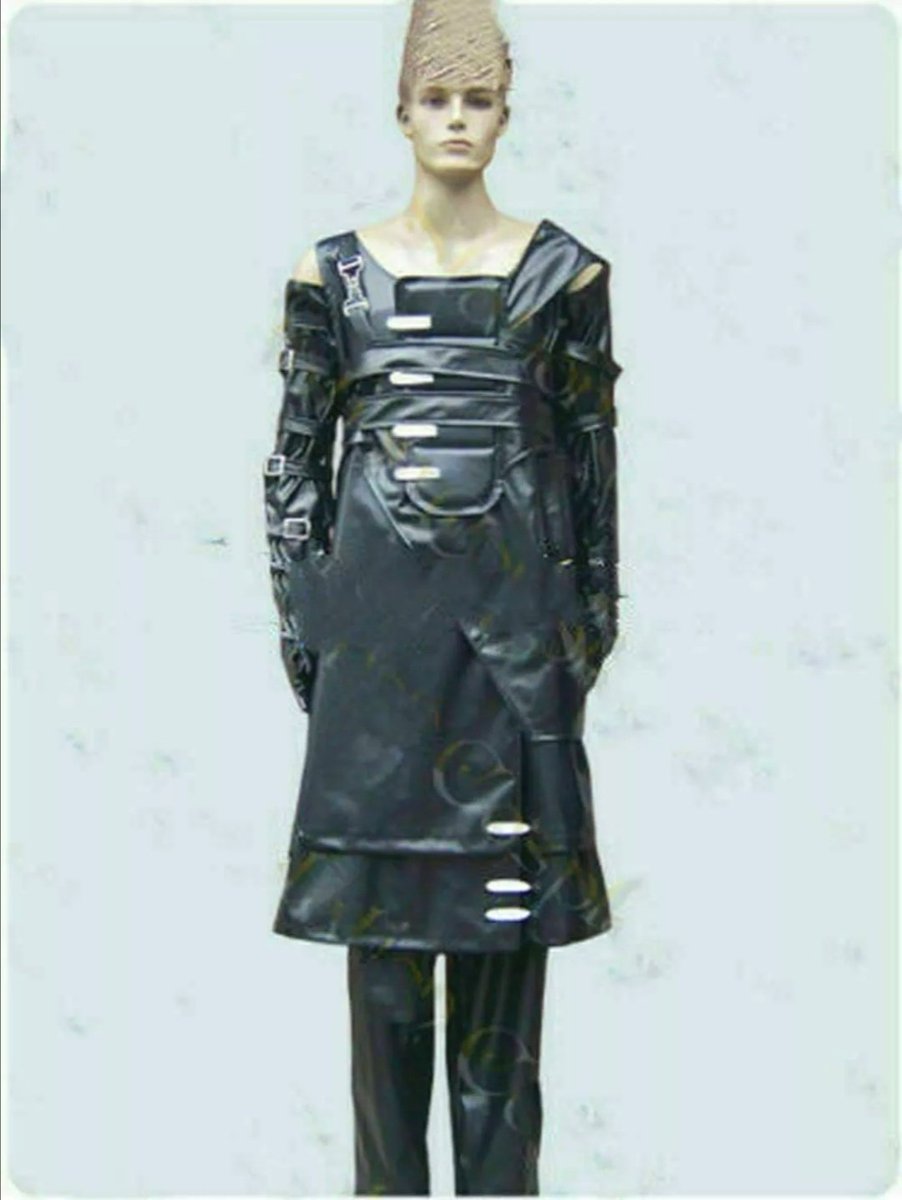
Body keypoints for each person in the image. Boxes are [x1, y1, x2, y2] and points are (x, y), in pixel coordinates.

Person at [262, 1, 624, 1192]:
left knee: (500, 1012)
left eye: (477, 99)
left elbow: (589, 463)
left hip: (514, 662)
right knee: (383, 1004)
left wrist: (586, 632)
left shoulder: (564, 275)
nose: (456, 120)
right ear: (401, 110)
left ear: (505, 113)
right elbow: (294, 465)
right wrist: (309, 627)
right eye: (436, 98)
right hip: (375, 669)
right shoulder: (332, 276)